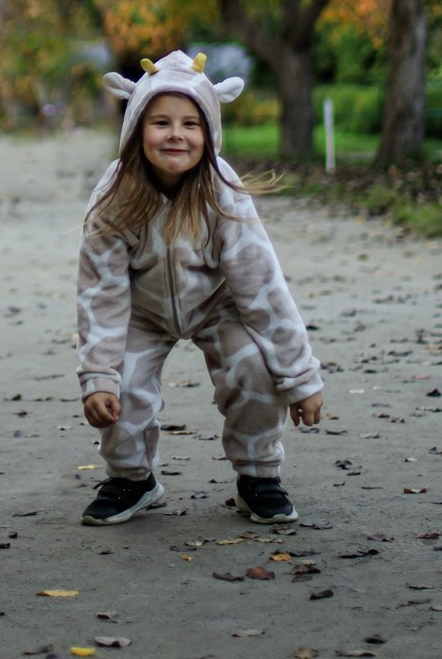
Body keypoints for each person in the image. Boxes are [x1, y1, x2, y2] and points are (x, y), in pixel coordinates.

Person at [74, 50, 325, 525]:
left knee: (253, 368)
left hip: (218, 306)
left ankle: (258, 477)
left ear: (209, 133)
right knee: (122, 385)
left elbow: (262, 285)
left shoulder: (221, 190)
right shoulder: (114, 195)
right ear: (135, 130)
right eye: (160, 122)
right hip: (141, 311)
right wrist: (98, 376)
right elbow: (100, 291)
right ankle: (132, 479)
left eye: (191, 124)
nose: (175, 135)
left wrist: (299, 376)